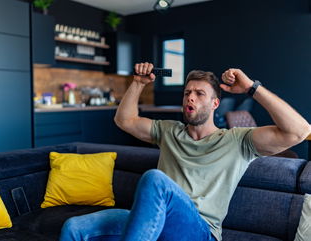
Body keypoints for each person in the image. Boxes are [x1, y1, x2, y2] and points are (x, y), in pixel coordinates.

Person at [59, 62, 311, 241]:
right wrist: (137, 83)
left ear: (215, 104)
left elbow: (298, 131)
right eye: (187, 93)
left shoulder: (237, 141)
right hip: (153, 220)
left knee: (155, 179)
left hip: (200, 230)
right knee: (74, 227)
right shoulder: (169, 131)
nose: (190, 97)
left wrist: (251, 88)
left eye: (199, 94)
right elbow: (125, 121)